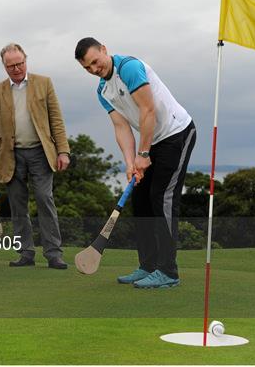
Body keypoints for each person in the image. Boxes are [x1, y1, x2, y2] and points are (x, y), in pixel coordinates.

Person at [75, 37, 196, 288]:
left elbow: (148, 110)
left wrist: (143, 155)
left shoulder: (128, 67)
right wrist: (131, 163)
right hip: (150, 140)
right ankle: (148, 265)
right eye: (87, 68)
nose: (94, 69)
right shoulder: (102, 91)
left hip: (176, 133)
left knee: (161, 197)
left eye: (95, 62)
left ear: (104, 50)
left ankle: (168, 271)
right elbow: (121, 128)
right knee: (140, 200)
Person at [0, 43, 71, 269]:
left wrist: (63, 151)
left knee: (44, 198)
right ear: (4, 66)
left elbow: (56, 120)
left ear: (26, 61)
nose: (16, 68)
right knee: (17, 205)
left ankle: (53, 253)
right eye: (10, 65)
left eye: (19, 63)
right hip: (10, 156)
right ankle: (26, 253)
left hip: (41, 153)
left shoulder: (44, 83)